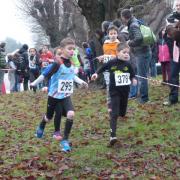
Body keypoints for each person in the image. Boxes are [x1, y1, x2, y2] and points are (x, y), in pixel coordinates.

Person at [31, 38, 88, 152]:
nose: (72, 51)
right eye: (69, 49)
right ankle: (42, 125)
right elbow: (45, 74)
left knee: (71, 114)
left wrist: (81, 82)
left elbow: (72, 77)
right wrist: (34, 83)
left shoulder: (72, 64)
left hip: (65, 96)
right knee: (48, 117)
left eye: (73, 49)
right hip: (54, 96)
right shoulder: (57, 63)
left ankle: (65, 140)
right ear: (62, 50)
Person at [91, 42, 137, 146]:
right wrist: (95, 73)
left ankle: (116, 113)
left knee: (122, 113)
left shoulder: (128, 65)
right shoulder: (112, 62)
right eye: (124, 52)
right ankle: (113, 136)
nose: (126, 55)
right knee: (115, 114)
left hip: (125, 92)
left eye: (128, 53)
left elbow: (133, 75)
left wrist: (134, 80)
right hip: (114, 91)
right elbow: (102, 68)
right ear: (117, 53)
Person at [121, 9, 152, 104]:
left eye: (121, 17)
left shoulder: (133, 25)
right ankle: (143, 96)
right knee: (142, 76)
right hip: (144, 52)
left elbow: (139, 38)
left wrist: (129, 42)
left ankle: (144, 98)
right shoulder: (135, 22)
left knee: (142, 77)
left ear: (124, 17)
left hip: (142, 53)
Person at [98, 25, 120, 112]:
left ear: (117, 34)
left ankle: (117, 103)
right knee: (109, 86)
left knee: (117, 86)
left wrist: (113, 57)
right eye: (111, 34)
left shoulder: (119, 44)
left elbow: (120, 55)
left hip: (117, 68)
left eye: (115, 33)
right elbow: (105, 55)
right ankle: (109, 104)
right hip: (107, 69)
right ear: (108, 35)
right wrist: (102, 57)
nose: (113, 35)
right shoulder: (105, 44)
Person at [164, 0, 180, 106]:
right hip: (175, 53)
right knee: (173, 76)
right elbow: (165, 36)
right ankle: (173, 99)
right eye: (177, 5)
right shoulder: (170, 18)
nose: (178, 7)